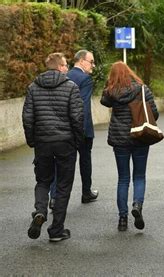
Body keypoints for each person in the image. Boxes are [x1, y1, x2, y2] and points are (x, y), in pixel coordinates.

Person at [22, 52, 83, 242]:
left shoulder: (33, 87)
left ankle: (40, 211)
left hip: (43, 143)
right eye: (65, 65)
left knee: (43, 181)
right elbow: (77, 118)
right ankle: (56, 230)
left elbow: (27, 118)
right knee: (63, 186)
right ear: (58, 66)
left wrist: (32, 140)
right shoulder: (71, 87)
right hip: (65, 143)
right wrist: (77, 141)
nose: (67, 68)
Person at [100, 61, 158, 232]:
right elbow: (153, 112)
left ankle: (122, 218)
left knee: (123, 178)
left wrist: (108, 84)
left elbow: (104, 101)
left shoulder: (111, 91)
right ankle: (137, 205)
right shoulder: (141, 88)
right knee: (139, 176)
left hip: (120, 140)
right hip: (140, 136)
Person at [49, 49, 99, 206]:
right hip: (81, 130)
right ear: (82, 61)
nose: (93, 66)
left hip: (62, 128)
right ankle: (86, 193)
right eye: (91, 62)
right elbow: (82, 107)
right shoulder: (85, 79)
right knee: (85, 160)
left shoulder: (64, 76)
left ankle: (54, 196)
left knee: (59, 162)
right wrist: (80, 131)